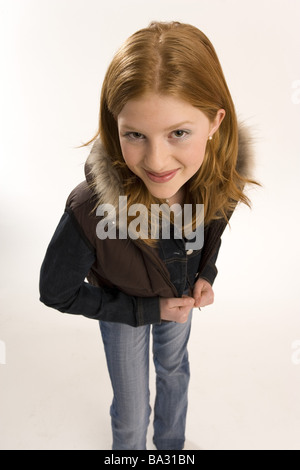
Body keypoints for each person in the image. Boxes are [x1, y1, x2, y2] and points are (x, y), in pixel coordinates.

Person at [39, 21, 257, 450]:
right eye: (135, 134)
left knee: (175, 370)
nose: (157, 161)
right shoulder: (90, 209)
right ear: (113, 125)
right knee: (133, 405)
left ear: (214, 122)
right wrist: (143, 310)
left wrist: (205, 274)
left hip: (180, 304)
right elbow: (56, 291)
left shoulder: (217, 182)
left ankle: (171, 449)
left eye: (179, 132)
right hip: (124, 315)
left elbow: (212, 233)